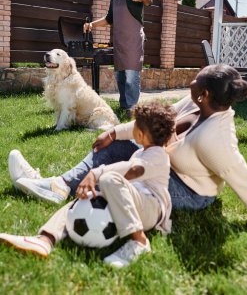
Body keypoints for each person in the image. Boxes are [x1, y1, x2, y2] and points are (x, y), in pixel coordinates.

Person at [8, 64, 247, 213]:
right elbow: (156, 121)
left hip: (190, 192)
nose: (192, 81)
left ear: (205, 94)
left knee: (130, 170)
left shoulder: (216, 139)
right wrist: (114, 132)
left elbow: (243, 180)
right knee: (122, 143)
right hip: (163, 165)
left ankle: (78, 198)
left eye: (196, 79)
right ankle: (60, 185)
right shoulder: (194, 101)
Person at [0, 102, 176, 267]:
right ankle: (45, 239)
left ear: (141, 134)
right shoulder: (142, 151)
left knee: (109, 180)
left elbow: (133, 170)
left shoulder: (159, 156)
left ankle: (139, 241)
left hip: (151, 208)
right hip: (132, 201)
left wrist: (96, 172)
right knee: (80, 201)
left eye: (135, 124)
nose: (132, 126)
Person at [84, 0, 152, 115]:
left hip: (133, 39)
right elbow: (109, 19)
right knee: (120, 75)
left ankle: (132, 108)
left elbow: (149, 0)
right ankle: (123, 106)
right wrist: (91, 25)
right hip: (120, 41)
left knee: (131, 75)